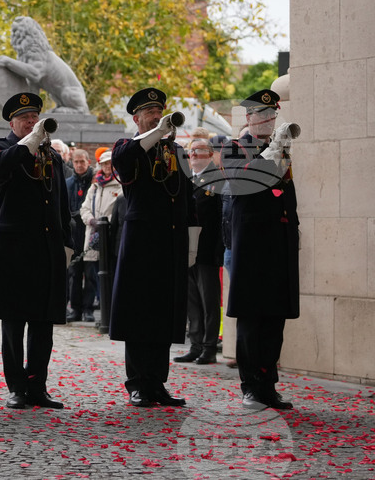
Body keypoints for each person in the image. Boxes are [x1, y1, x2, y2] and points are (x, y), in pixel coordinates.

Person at [0, 93, 71, 409]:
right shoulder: (0, 148)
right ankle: (17, 386)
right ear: (13, 123)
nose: (33, 123)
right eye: (26, 119)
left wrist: (67, 246)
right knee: (14, 323)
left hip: (46, 248)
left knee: (44, 322)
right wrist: (28, 142)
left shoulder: (52, 156)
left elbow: (61, 204)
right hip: (15, 249)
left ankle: (38, 386)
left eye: (35, 118)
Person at [110, 87, 191, 408]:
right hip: (141, 243)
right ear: (137, 118)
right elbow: (125, 161)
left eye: (160, 112)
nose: (158, 116)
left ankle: (157, 382)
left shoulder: (175, 151)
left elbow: (185, 196)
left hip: (169, 241)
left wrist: (191, 241)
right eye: (150, 113)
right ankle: (138, 383)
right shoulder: (127, 146)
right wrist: (156, 132)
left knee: (163, 312)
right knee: (139, 312)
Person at [223, 90, 298, 409]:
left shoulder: (279, 149)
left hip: (277, 241)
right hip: (251, 243)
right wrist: (277, 149)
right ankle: (251, 385)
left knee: (274, 316)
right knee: (253, 317)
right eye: (264, 116)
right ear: (249, 118)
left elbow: (287, 195)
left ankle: (268, 383)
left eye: (273, 116)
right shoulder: (233, 148)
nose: (270, 121)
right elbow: (246, 183)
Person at [173, 136, 224, 365]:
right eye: (191, 151)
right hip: (188, 249)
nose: (192, 155)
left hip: (207, 251)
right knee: (191, 300)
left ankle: (209, 346)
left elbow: (222, 219)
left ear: (210, 154)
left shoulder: (219, 181)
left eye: (199, 151)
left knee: (209, 301)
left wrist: (218, 250)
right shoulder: (186, 180)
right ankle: (195, 344)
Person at [79, 149, 122, 323]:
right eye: (104, 164)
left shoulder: (120, 185)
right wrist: (91, 220)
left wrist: (105, 222)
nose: (107, 167)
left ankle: (110, 314)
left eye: (110, 163)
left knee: (109, 275)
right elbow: (84, 208)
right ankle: (104, 311)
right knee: (95, 275)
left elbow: (119, 211)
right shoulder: (95, 185)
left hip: (110, 235)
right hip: (93, 236)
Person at [66, 149, 94, 321]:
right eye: (76, 162)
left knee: (90, 273)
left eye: (82, 162)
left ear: (88, 162)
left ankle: (88, 308)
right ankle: (75, 308)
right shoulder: (68, 183)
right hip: (74, 232)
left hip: (90, 232)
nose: (79, 165)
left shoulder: (94, 182)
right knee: (74, 273)